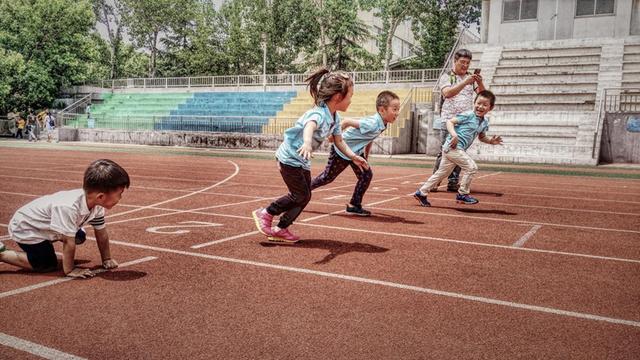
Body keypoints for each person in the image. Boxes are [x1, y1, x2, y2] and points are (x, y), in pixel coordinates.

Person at [252, 68, 369, 243]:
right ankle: (266, 212)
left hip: (302, 161)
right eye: (350, 96)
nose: (351, 100)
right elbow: (310, 125)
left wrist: (353, 156)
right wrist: (307, 142)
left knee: (305, 196)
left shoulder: (335, 118)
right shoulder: (319, 113)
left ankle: (280, 229)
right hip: (289, 158)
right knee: (299, 195)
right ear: (338, 97)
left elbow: (339, 141)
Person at [0, 159, 130, 278]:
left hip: (44, 224)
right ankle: (2, 253)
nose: (121, 198)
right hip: (26, 228)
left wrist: (106, 259)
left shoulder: (96, 204)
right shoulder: (69, 207)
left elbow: (101, 233)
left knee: (79, 236)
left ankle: (48, 242)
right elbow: (68, 242)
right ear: (101, 197)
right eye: (119, 194)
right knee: (47, 264)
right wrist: (70, 270)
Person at [310, 90, 400, 216]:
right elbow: (346, 122)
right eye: (394, 109)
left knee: (366, 175)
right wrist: (333, 136)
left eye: (398, 109)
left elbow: (369, 138)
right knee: (327, 178)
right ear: (382, 110)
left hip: (356, 152)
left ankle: (354, 205)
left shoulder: (383, 124)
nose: (397, 113)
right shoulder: (373, 123)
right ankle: (302, 190)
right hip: (342, 150)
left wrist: (365, 156)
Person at [414, 90, 502, 206]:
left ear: (490, 108)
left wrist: (491, 141)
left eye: (485, 105)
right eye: (478, 103)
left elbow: (482, 137)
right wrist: (454, 135)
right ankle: (462, 194)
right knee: (472, 167)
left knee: (441, 174)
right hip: (453, 147)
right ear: (474, 103)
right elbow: (450, 122)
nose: (480, 107)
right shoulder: (468, 115)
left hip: (455, 150)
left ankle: (421, 192)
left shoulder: (484, 122)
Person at [432, 48, 485, 192]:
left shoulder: (470, 78)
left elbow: (482, 95)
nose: (465, 66)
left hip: (464, 123)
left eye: (468, 63)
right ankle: (435, 181)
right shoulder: (447, 76)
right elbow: (447, 93)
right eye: (462, 62)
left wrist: (479, 83)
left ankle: (453, 182)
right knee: (444, 151)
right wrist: (465, 82)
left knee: (459, 152)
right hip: (448, 120)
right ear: (455, 61)